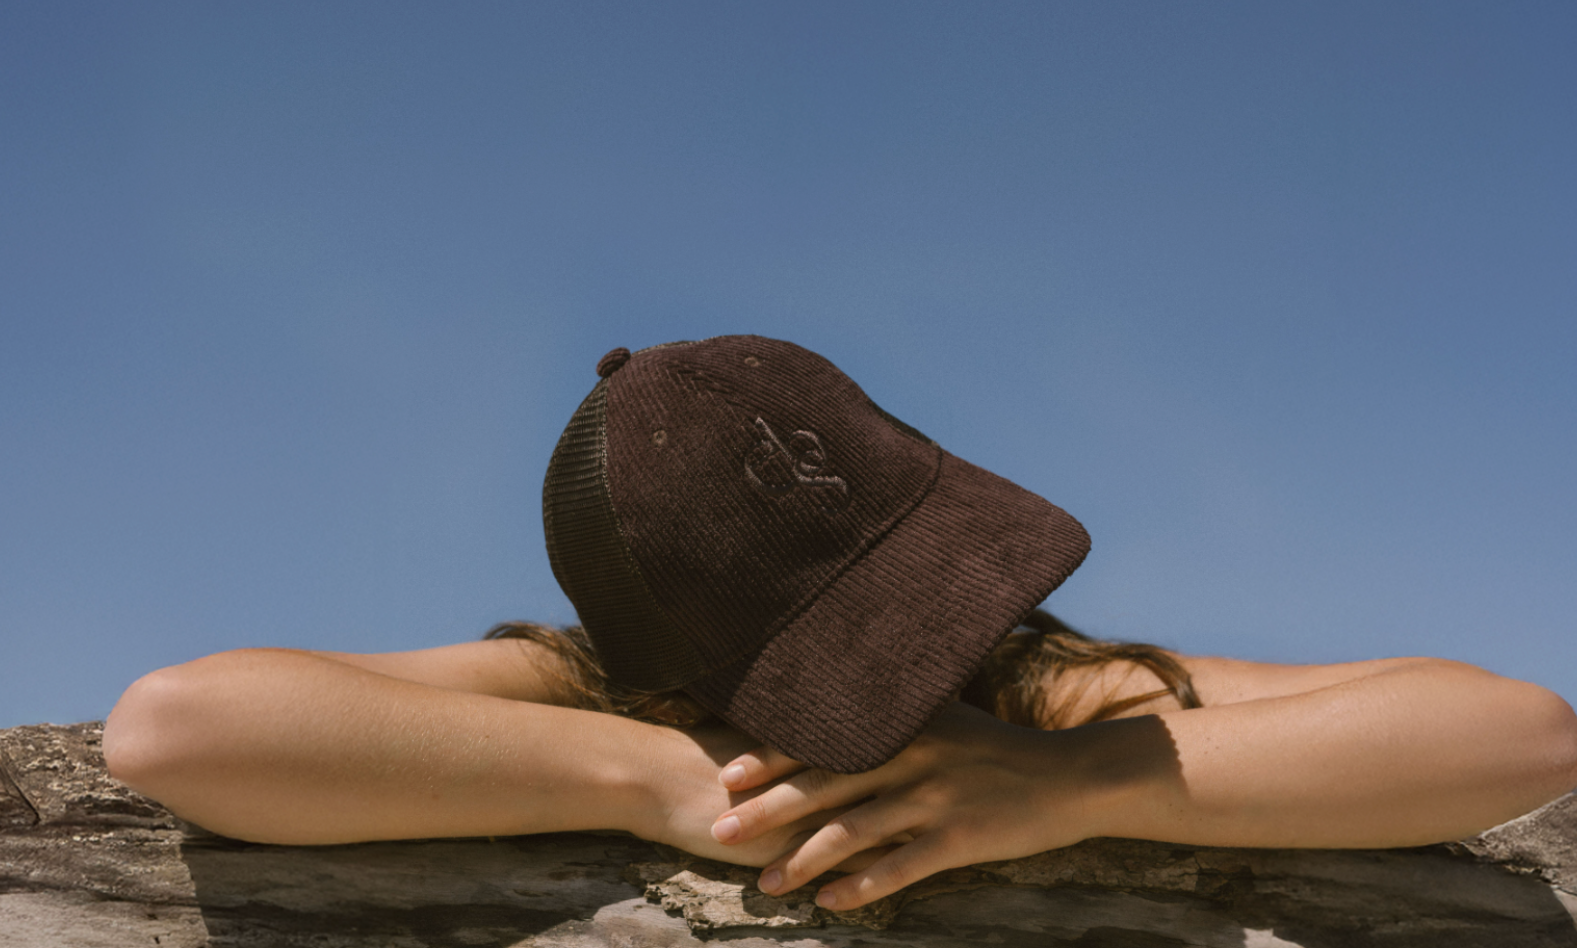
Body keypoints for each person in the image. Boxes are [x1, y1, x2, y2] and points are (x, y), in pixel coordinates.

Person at [104, 337, 1577, 912]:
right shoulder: (602, 688)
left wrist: (1070, 783)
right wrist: (654, 781)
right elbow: (179, 725)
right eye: (865, 638)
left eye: (936, 593)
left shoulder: (1038, 687)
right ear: (679, 664)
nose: (938, 656)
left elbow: (1520, 732)